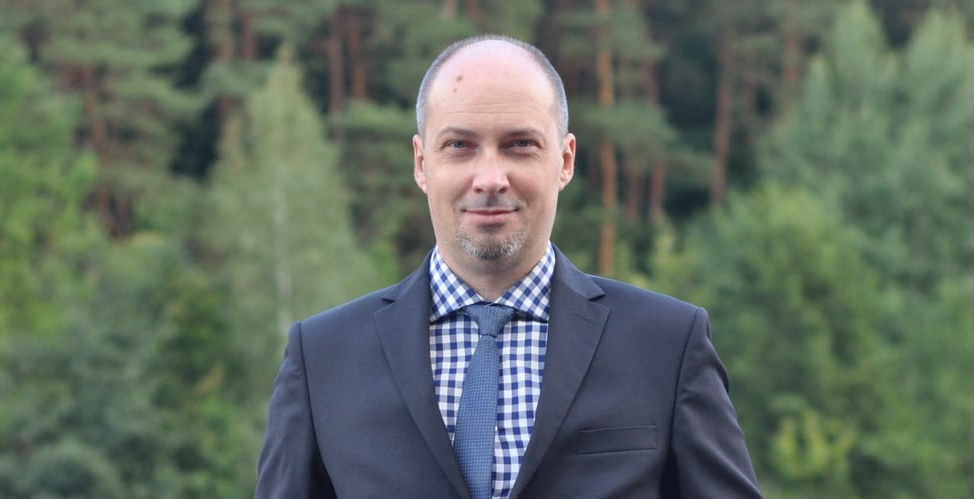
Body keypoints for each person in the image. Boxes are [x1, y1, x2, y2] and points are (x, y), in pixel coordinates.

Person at [256, 34, 761, 499]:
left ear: (564, 161)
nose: (490, 177)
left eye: (520, 144)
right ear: (421, 162)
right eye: (460, 146)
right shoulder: (322, 359)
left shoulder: (667, 346)